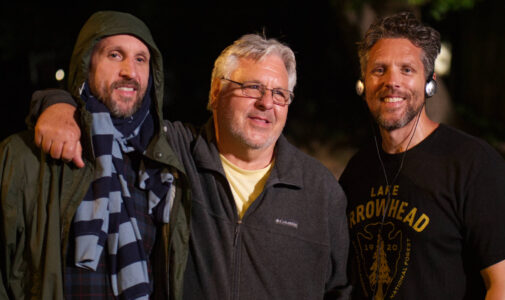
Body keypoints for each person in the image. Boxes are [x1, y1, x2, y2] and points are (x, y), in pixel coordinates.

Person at [27, 34, 352, 299]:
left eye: (280, 93)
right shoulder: (173, 152)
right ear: (215, 92)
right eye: (252, 87)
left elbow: (341, 290)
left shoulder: (320, 191)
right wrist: (56, 104)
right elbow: (111, 114)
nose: (266, 103)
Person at [0, 11, 190, 299]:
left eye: (141, 59)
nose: (130, 71)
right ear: (86, 64)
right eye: (115, 55)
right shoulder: (24, 155)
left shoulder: (159, 172)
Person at [339, 11, 505, 299]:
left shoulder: (473, 164)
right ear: (363, 84)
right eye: (379, 69)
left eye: (407, 70)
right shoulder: (356, 172)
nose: (392, 81)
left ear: (429, 82)